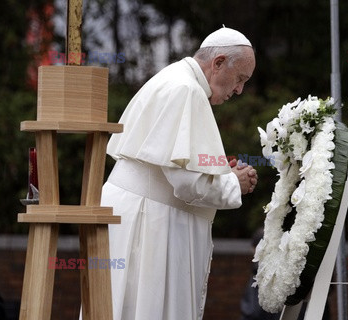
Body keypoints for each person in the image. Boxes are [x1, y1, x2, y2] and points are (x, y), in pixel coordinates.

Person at [102, 27, 258, 320]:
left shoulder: (173, 78)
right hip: (150, 224)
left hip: (138, 215)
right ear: (219, 62)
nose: (239, 90)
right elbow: (189, 184)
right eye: (240, 79)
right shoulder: (186, 90)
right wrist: (233, 184)